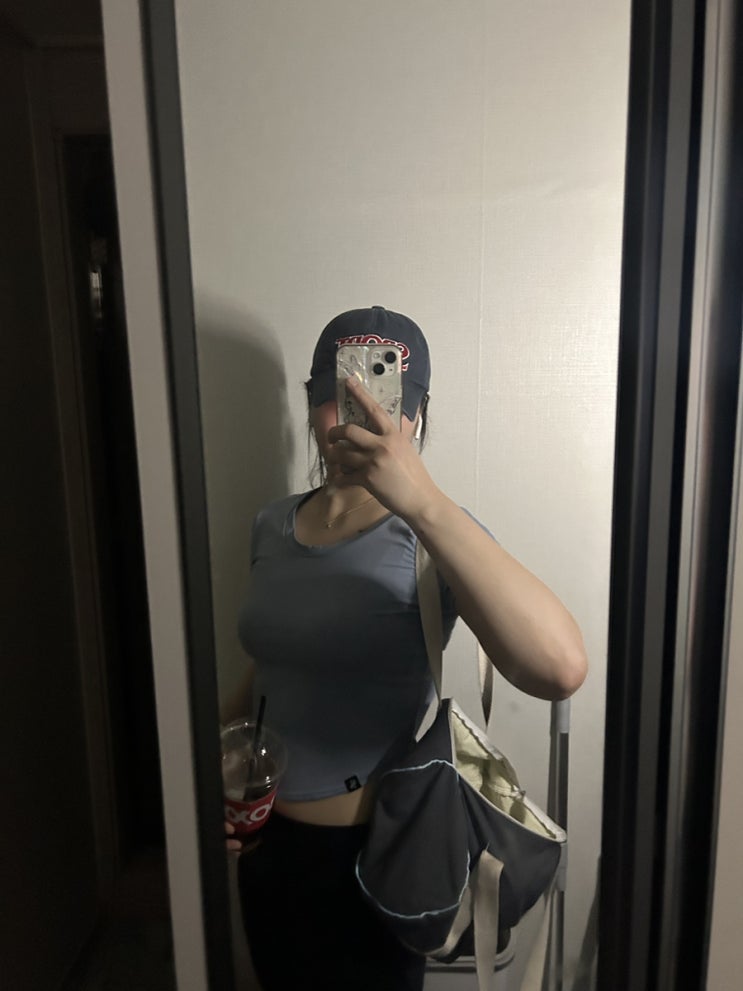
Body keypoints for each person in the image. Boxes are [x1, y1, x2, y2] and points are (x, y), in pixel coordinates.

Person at [223, 306, 587, 991]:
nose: (359, 412)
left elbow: (559, 667)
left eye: (384, 395)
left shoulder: (430, 533)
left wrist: (423, 502)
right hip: (266, 851)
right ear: (311, 404)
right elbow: (271, 658)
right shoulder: (271, 523)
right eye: (338, 393)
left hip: (376, 862)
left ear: (415, 416)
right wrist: (214, 768)